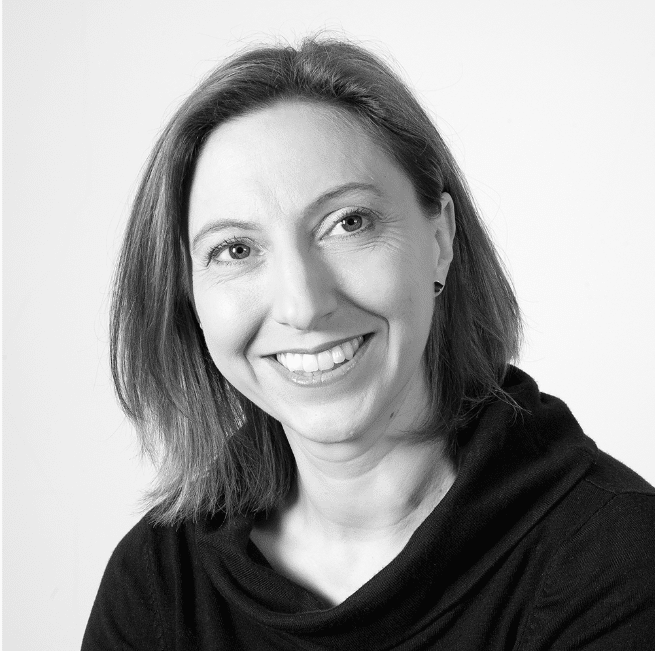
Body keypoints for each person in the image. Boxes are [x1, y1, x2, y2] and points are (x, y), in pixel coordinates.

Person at [82, 36, 655, 650]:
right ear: (188, 294)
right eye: (235, 250)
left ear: (439, 239)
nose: (302, 305)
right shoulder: (159, 581)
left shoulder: (618, 562)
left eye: (347, 223)